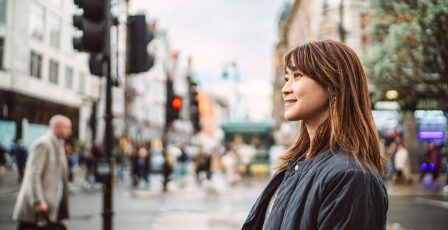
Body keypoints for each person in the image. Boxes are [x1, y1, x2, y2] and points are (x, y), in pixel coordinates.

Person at [242, 40, 388, 229]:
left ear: (332, 85)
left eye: (297, 75)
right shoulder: (298, 165)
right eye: (287, 78)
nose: (285, 89)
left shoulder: (350, 176)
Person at [13, 115, 72, 229]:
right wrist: (38, 200)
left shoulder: (59, 144)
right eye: (67, 127)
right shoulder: (43, 144)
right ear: (56, 127)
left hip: (49, 207)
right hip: (37, 208)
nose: (70, 131)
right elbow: (33, 174)